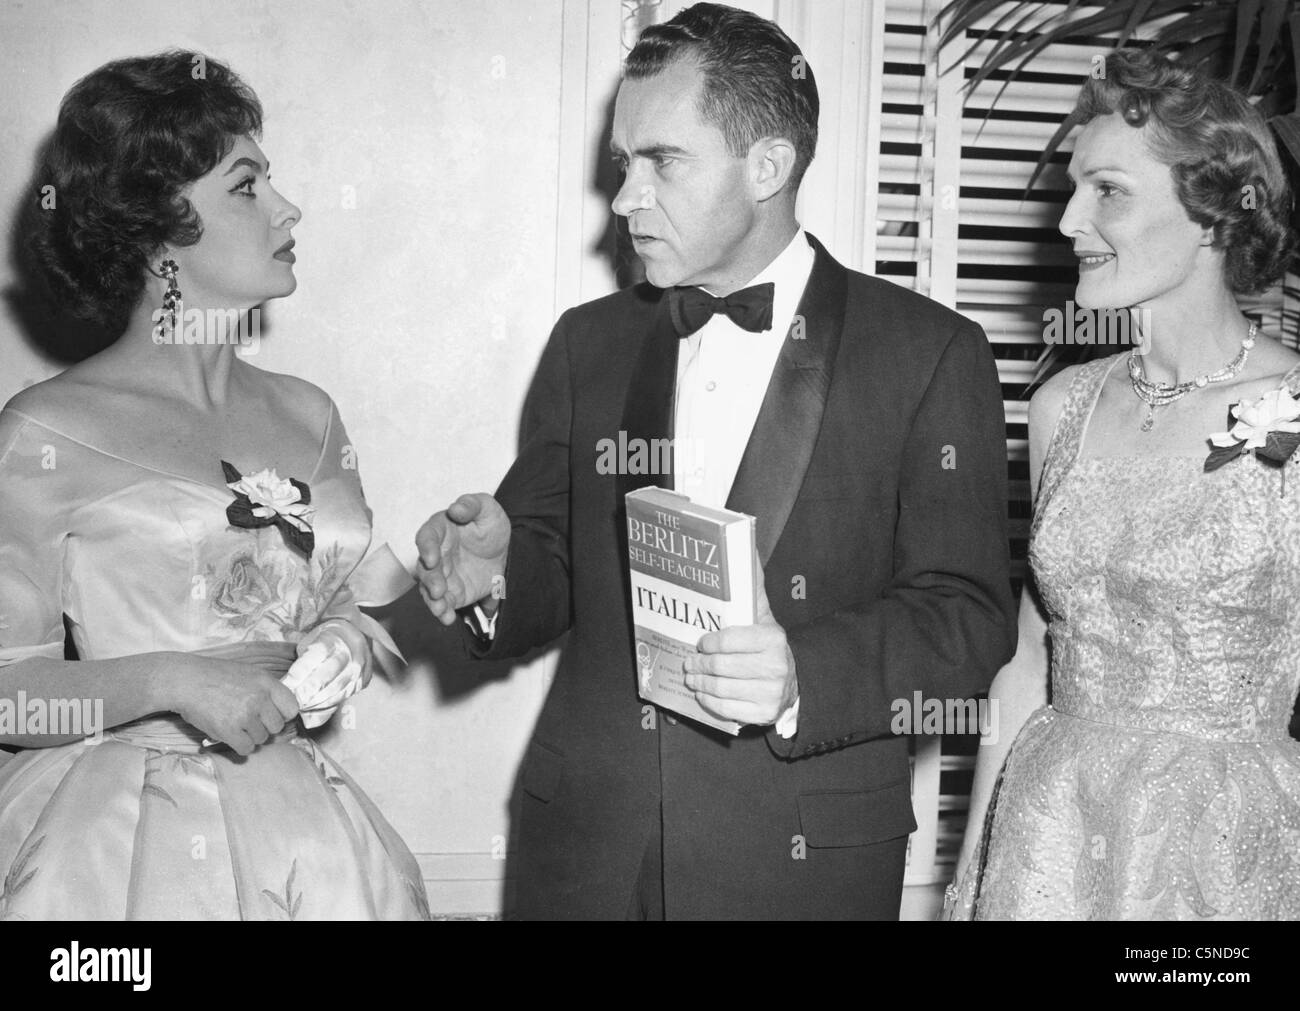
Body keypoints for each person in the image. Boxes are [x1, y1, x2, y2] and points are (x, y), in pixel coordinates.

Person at [417, 2, 1015, 919]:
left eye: (663, 162)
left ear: (767, 166)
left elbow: (969, 619)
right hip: (585, 846)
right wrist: (496, 575)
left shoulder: (929, 352)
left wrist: (801, 674)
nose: (623, 200)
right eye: (624, 165)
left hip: (801, 864)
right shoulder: (588, 343)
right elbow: (556, 568)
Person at [0, 51, 428, 920]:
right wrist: (171, 680)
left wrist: (353, 633)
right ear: (160, 226)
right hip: (113, 850)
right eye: (246, 187)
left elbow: (346, 601)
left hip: (303, 834)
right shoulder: (40, 430)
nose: (286, 207)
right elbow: (10, 696)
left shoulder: (310, 416)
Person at [948, 49, 1300, 920]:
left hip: (1223, 852)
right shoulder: (1060, 405)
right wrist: (964, 882)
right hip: (1049, 836)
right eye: (1073, 188)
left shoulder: (1295, 409)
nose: (1067, 221)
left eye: (1107, 190)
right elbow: (1029, 661)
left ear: (1214, 215)